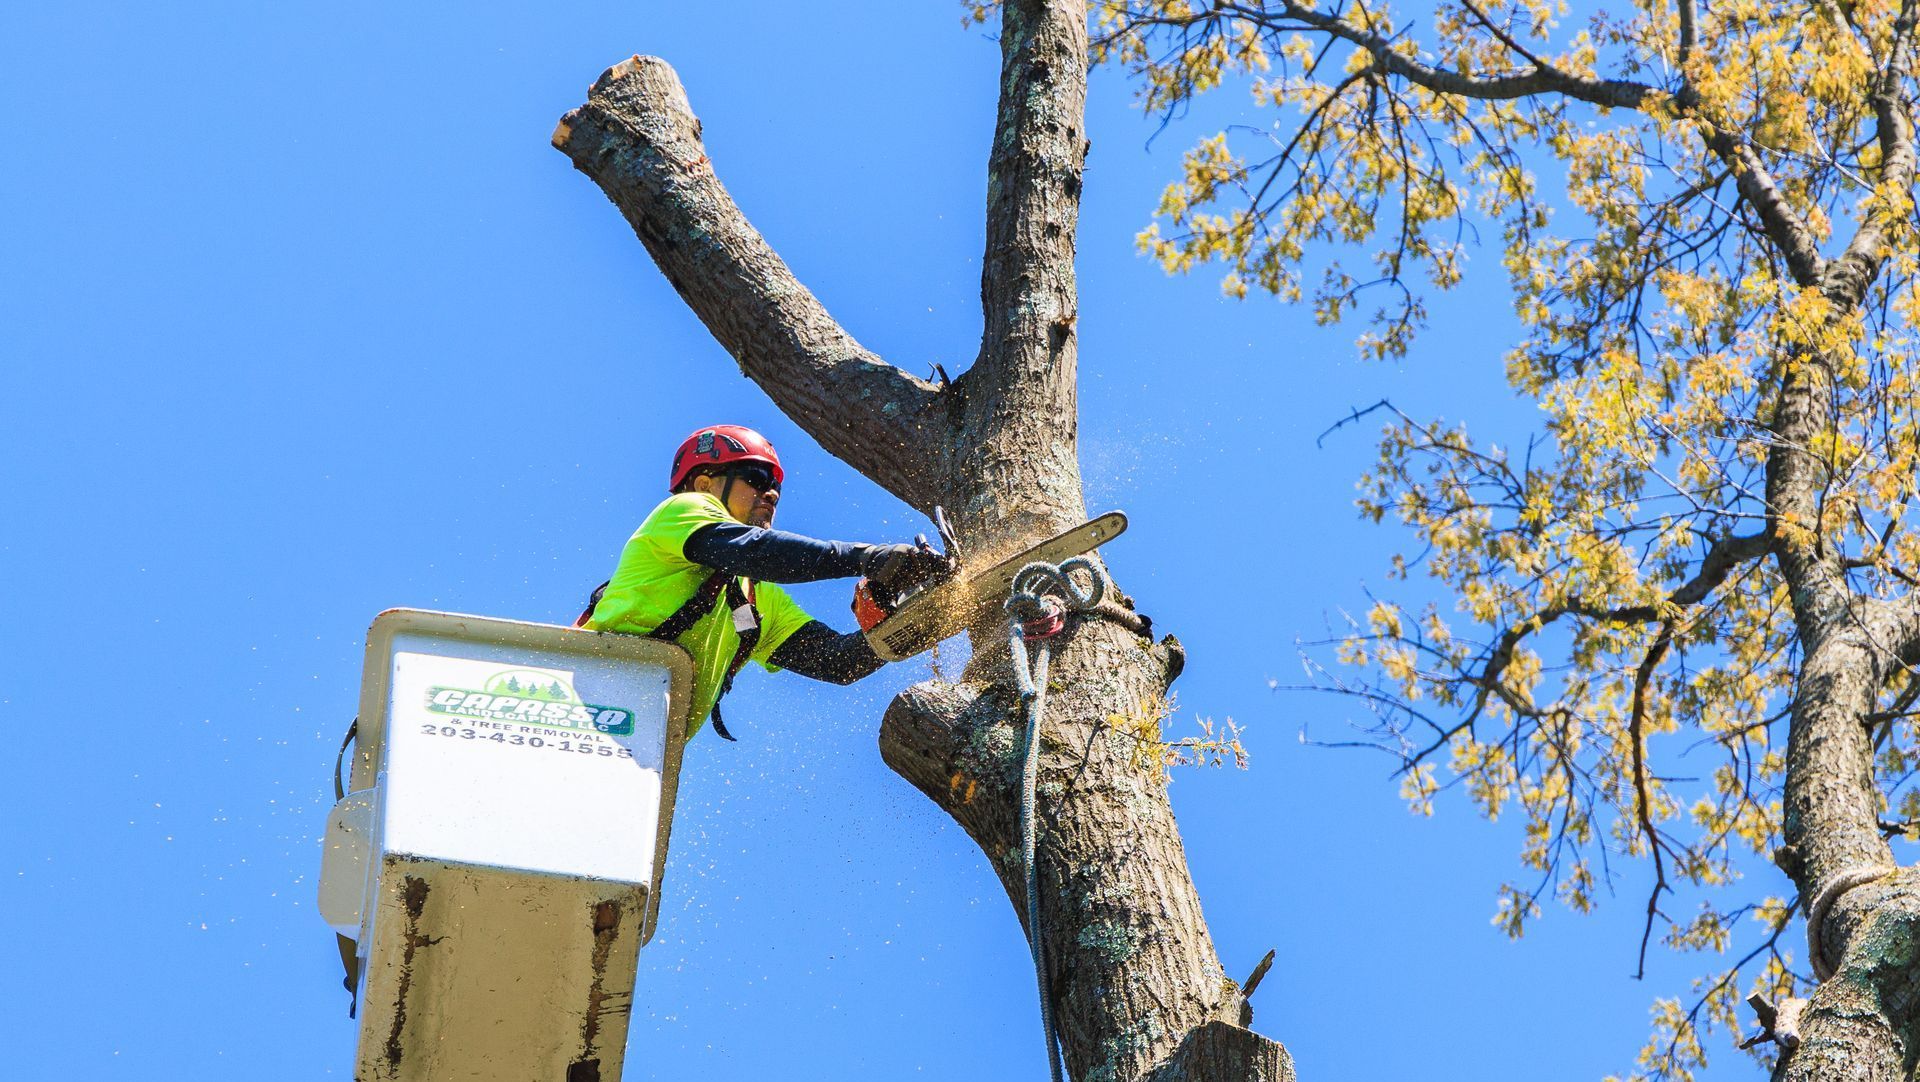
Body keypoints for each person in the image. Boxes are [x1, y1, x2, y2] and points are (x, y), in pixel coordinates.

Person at [580, 424, 949, 740]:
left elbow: (836, 662)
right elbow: (756, 551)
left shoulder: (754, 598)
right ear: (704, 484)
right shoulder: (681, 512)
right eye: (755, 478)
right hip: (579, 696)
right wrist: (869, 557)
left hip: (645, 738)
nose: (771, 492)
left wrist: (914, 617)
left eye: (775, 486)